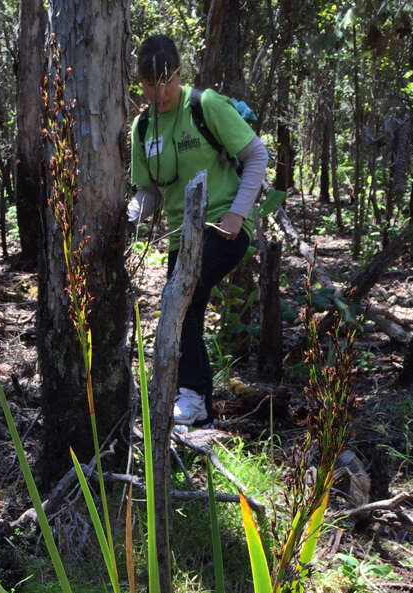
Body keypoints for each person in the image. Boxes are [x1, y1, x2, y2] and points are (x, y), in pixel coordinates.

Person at [128, 35, 269, 427]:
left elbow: (256, 154)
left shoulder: (205, 105)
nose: (161, 93)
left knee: (182, 301)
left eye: (167, 82)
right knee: (183, 305)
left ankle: (192, 399)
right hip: (181, 237)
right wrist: (130, 216)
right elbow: (148, 191)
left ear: (179, 74)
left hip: (223, 228)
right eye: (151, 85)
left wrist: (238, 214)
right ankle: (193, 401)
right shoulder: (142, 127)